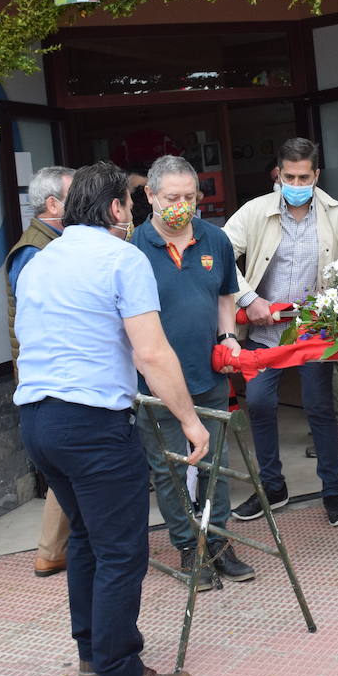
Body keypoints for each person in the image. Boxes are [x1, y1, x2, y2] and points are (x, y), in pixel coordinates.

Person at [14, 162, 209, 676]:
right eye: (128, 204)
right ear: (116, 209)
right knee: (123, 551)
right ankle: (121, 674)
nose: (133, 213)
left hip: (38, 420)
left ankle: (92, 653)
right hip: (93, 424)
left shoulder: (38, 261)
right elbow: (151, 351)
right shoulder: (122, 258)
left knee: (85, 539)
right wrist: (190, 420)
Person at [225, 137, 338, 528]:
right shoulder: (255, 212)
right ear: (278, 173)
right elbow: (218, 254)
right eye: (290, 176)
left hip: (313, 332)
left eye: (305, 176)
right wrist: (248, 299)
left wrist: (335, 302)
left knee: (321, 409)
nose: (297, 182)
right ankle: (272, 487)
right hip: (265, 332)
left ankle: (333, 492)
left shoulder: (336, 216)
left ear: (316, 174)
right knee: (260, 404)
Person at [130, 155, 255, 592]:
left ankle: (219, 543)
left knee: (215, 465)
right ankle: (188, 547)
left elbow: (226, 296)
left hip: (209, 375)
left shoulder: (215, 240)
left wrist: (228, 336)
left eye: (189, 197)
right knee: (169, 469)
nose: (182, 205)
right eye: (172, 198)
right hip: (156, 382)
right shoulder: (131, 249)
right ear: (149, 196)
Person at [4, 165, 76, 579]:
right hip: (52, 377)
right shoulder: (35, 251)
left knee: (69, 469)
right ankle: (51, 550)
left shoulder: (50, 243)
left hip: (53, 374)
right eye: (74, 196)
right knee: (70, 467)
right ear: (53, 204)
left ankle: (53, 550)